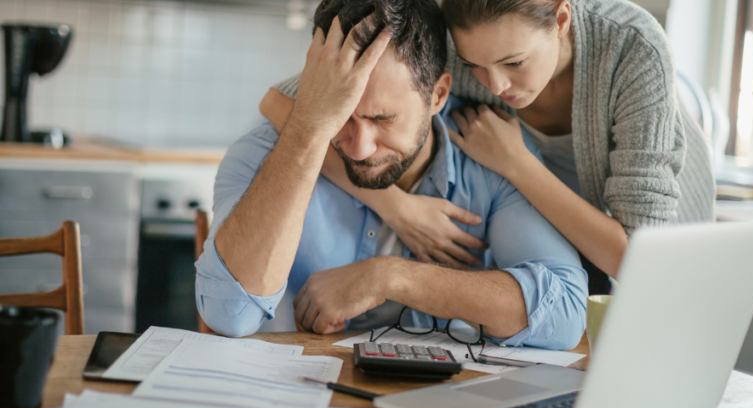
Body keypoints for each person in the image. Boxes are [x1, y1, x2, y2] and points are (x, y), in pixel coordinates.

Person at [196, 0, 588, 350]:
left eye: (383, 119)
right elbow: (228, 314)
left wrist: (390, 278)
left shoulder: (493, 155)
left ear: (437, 95)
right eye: (342, 116)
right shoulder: (264, 154)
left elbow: (566, 314)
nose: (360, 147)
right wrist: (310, 129)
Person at [260, 0, 715, 294]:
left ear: (561, 19)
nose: (496, 85)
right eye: (475, 65)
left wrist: (516, 164)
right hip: (569, 247)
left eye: (514, 63)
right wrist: (396, 206)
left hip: (672, 264)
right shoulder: (457, 47)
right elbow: (281, 104)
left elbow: (640, 257)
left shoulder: (633, 51)